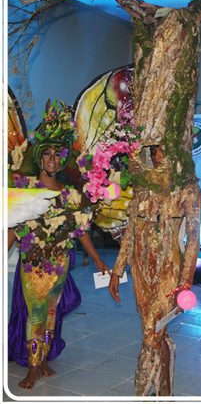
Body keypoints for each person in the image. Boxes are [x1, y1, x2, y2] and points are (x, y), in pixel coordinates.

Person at [7, 101, 109, 389]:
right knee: (36, 314)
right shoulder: (25, 190)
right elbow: (13, 227)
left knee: (52, 313)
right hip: (33, 264)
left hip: (60, 263)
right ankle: (32, 367)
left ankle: (43, 360)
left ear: (63, 160)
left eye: (57, 155)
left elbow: (81, 230)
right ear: (39, 157)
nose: (52, 159)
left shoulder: (71, 195)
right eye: (47, 154)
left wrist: (98, 260)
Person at [108, 144, 201, 396]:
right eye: (153, 151)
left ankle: (140, 393)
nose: (158, 156)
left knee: (151, 334)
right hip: (141, 271)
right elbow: (130, 232)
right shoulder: (142, 187)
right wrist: (117, 270)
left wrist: (185, 283)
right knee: (155, 332)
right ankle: (164, 391)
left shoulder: (188, 189)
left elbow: (193, 239)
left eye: (163, 150)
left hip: (168, 272)